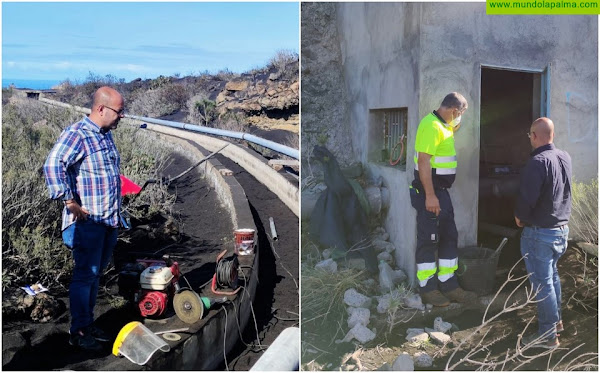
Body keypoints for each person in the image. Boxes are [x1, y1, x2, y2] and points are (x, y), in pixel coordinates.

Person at [44, 86, 125, 351]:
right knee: (85, 276)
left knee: (94, 275)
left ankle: (87, 324)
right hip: (87, 223)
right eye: (118, 111)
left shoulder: (103, 135)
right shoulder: (77, 134)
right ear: (101, 109)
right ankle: (79, 331)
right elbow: (53, 164)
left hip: (107, 220)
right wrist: (70, 201)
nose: (121, 116)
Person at [409, 92, 477, 307]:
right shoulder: (430, 126)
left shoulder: (444, 125)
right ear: (453, 110)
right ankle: (428, 288)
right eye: (460, 114)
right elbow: (424, 162)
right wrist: (430, 196)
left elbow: (450, 129)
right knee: (428, 239)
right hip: (430, 191)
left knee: (449, 235)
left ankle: (448, 283)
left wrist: (456, 123)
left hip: (441, 192)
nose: (460, 118)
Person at [515, 117, 571, 349]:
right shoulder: (564, 157)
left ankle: (548, 337)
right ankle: (556, 323)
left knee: (542, 284)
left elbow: (528, 198)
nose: (530, 138)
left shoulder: (537, 162)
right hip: (561, 231)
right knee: (552, 278)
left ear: (535, 136)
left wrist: (520, 217)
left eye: (530, 135)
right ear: (553, 135)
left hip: (540, 234)